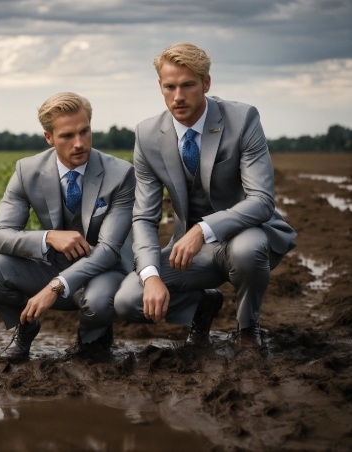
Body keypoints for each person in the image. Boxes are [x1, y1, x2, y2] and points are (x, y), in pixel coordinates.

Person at [114, 42, 297, 347]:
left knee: (247, 251)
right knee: (128, 299)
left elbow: (262, 201)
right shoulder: (147, 136)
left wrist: (203, 228)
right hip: (191, 251)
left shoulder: (242, 119)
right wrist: (152, 276)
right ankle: (204, 305)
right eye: (170, 87)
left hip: (245, 233)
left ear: (206, 83)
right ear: (160, 86)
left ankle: (248, 330)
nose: (178, 97)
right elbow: (144, 217)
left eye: (188, 85)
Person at [0, 92, 135, 361]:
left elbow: (108, 250)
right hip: (53, 263)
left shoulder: (120, 174)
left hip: (104, 270)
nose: (79, 143)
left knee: (98, 304)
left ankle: (93, 337)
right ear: (49, 137)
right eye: (67, 136)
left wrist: (54, 287)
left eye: (85, 131)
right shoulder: (28, 171)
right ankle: (25, 325)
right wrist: (49, 237)